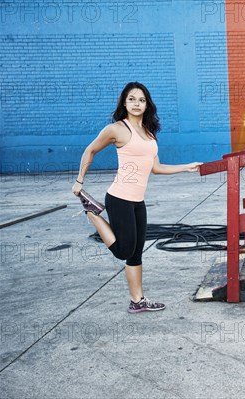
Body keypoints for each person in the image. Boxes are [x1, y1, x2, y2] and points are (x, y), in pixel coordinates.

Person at [72, 82, 201, 313]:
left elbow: (157, 168)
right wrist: (80, 180)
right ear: (124, 102)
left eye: (141, 100)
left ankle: (137, 301)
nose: (136, 103)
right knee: (123, 251)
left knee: (135, 254)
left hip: (137, 201)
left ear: (147, 104)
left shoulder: (149, 133)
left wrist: (186, 167)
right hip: (119, 198)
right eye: (131, 99)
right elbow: (90, 150)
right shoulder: (116, 129)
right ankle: (92, 212)